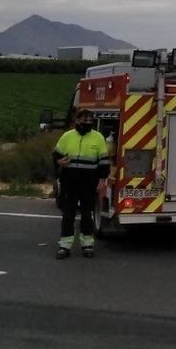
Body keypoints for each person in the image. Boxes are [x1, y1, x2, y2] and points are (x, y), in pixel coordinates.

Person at [53, 108, 110, 260]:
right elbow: (56, 154)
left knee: (87, 214)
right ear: (77, 120)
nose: (87, 122)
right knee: (68, 214)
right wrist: (59, 162)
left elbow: (104, 162)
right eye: (84, 120)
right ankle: (65, 246)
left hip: (88, 183)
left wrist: (102, 182)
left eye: (90, 120)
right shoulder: (67, 136)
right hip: (69, 182)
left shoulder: (98, 138)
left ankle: (87, 244)